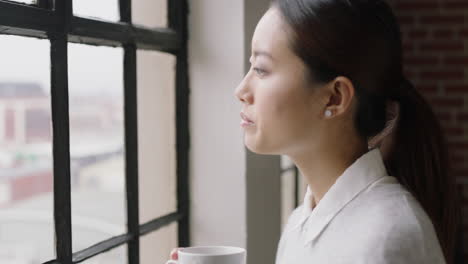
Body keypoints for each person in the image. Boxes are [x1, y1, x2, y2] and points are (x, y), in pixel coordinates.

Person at [168, 0, 461, 263]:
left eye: (261, 69)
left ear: (334, 98)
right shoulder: (301, 222)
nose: (241, 91)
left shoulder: (385, 238)